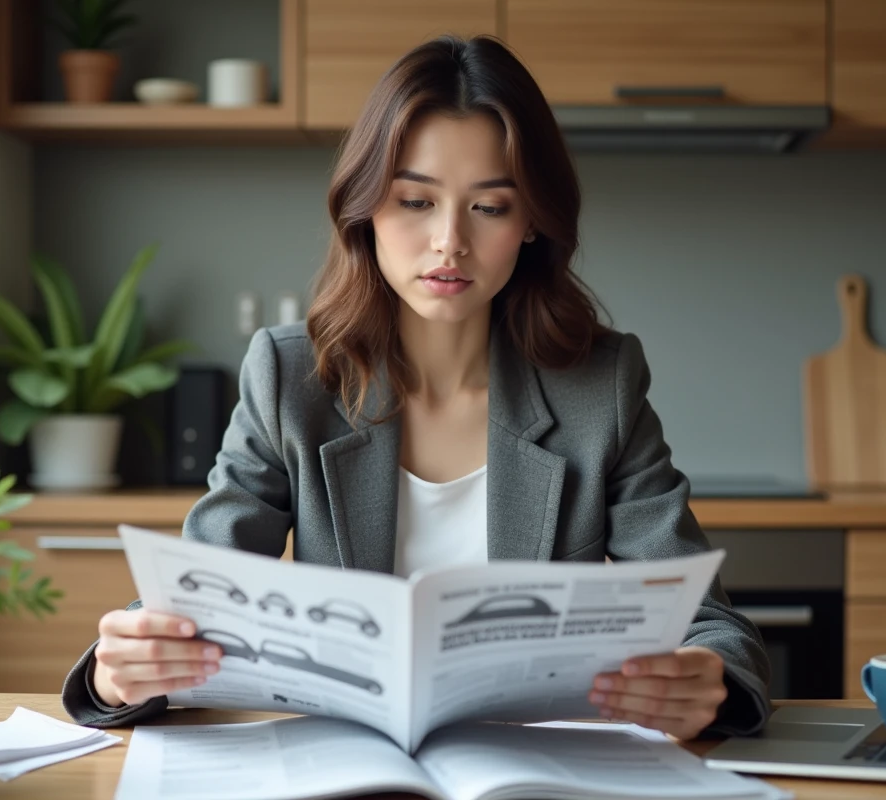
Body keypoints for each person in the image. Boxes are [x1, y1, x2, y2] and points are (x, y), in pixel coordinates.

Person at [62, 35, 771, 741]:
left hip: (535, 774)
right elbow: (195, 598)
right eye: (414, 201)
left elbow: (712, 624)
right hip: (342, 766)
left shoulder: (600, 386)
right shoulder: (291, 378)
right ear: (366, 210)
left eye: (489, 207)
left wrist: (705, 673)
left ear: (530, 223)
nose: (449, 242)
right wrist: (117, 669)